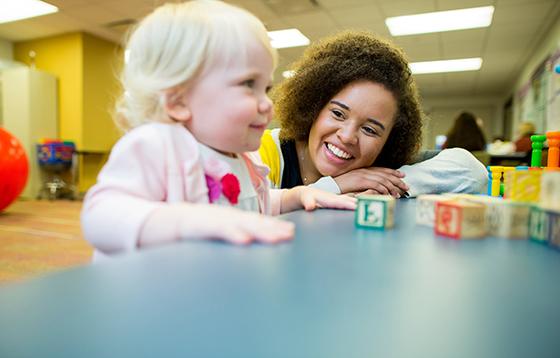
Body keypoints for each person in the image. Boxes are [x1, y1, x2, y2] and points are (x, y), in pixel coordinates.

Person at [81, 0, 355, 256]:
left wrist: (296, 196)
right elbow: (100, 215)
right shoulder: (156, 144)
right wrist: (189, 221)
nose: (266, 104)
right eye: (249, 84)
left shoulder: (245, 156)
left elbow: (252, 207)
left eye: (266, 88)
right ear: (178, 101)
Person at [259, 31, 487, 197]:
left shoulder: (377, 167)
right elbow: (243, 212)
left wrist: (388, 186)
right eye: (338, 113)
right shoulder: (265, 153)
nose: (348, 136)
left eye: (370, 129)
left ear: (389, 140)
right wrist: (337, 185)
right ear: (314, 106)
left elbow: (472, 171)